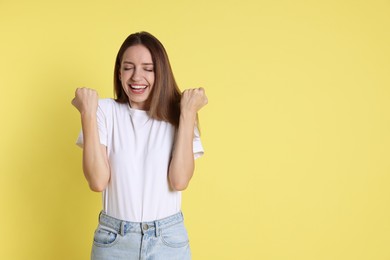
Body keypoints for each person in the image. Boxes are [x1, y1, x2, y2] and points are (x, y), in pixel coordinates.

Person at [71, 31, 208, 259]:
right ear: (119, 72)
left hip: (167, 240)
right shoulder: (104, 112)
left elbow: (179, 180)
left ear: (161, 72)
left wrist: (188, 113)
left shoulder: (180, 114)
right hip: (114, 239)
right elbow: (97, 181)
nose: (136, 77)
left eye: (148, 68)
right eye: (128, 67)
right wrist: (87, 113)